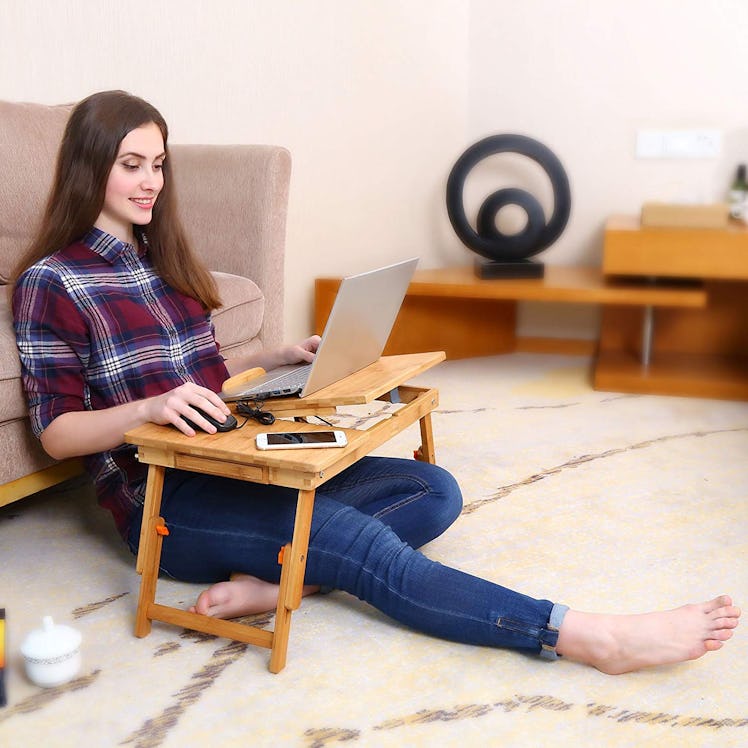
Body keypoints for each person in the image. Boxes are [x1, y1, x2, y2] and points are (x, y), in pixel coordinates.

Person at [12, 90, 740, 676]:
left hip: (243, 457)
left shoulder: (160, 256)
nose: (150, 182)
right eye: (131, 164)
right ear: (89, 168)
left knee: (434, 489)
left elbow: (203, 378)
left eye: (159, 165)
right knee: (362, 544)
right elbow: (56, 432)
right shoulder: (54, 280)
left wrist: (275, 357)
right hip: (167, 500)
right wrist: (151, 405)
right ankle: (586, 637)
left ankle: (278, 585)